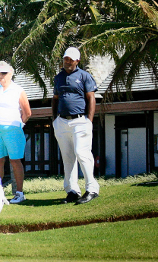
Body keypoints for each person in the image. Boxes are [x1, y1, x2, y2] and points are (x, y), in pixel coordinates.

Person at [52, 47, 99, 204]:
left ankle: (92, 189)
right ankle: (72, 191)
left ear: (77, 61)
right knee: (67, 157)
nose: (67, 61)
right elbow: (55, 99)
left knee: (82, 153)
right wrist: (54, 120)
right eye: (66, 58)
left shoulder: (84, 76)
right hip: (62, 121)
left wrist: (89, 120)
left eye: (71, 59)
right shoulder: (58, 78)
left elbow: (91, 98)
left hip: (80, 120)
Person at [0, 61, 31, 204]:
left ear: (11, 74)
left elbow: (27, 113)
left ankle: (19, 193)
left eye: (4, 73)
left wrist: (18, 125)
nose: (1, 76)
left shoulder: (18, 90)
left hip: (13, 129)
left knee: (15, 160)